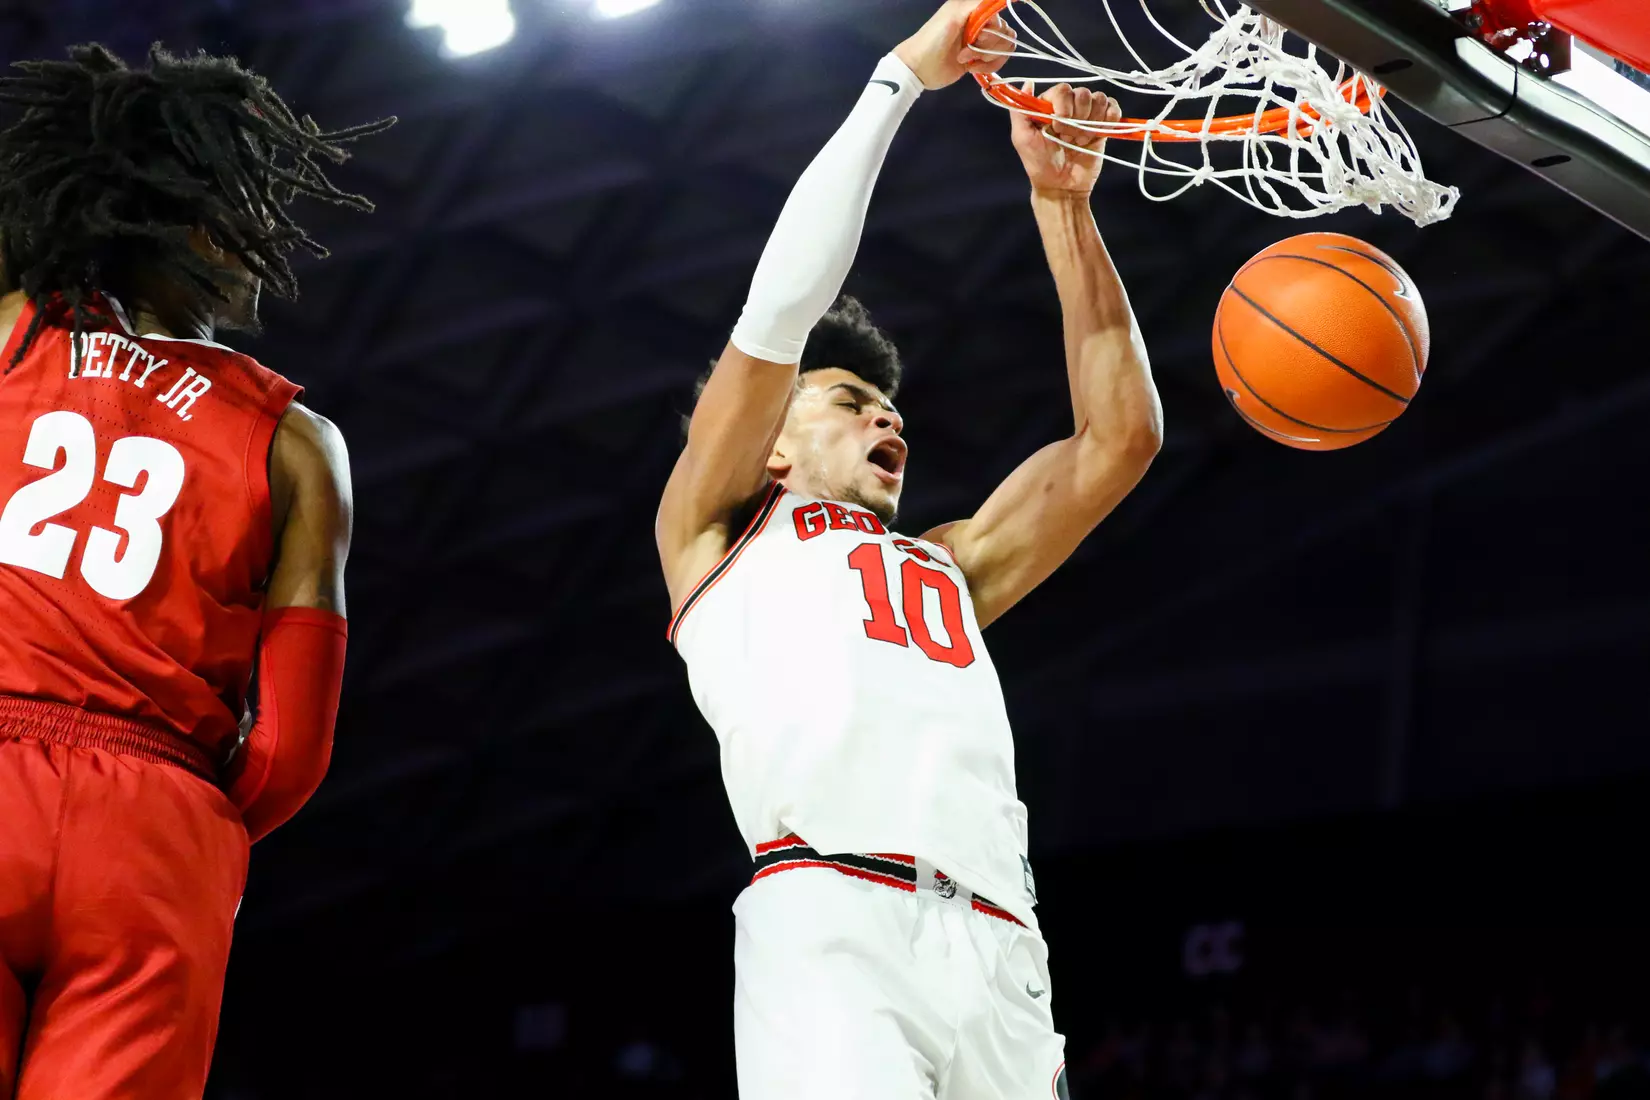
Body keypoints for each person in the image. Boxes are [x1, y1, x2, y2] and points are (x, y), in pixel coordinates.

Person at [655, 2, 1162, 1096]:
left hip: (1001, 948)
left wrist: (1062, 208)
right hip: (834, 919)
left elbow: (1120, 438)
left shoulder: (948, 564)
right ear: (774, 440)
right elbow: (781, 304)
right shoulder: (717, 528)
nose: (890, 421)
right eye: (850, 401)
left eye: (892, 409)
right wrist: (896, 80)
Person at [0, 44, 390, 1098]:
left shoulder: (10, 336)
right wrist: (186, 822)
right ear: (211, 230)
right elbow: (289, 750)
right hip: (159, 814)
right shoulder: (299, 440)